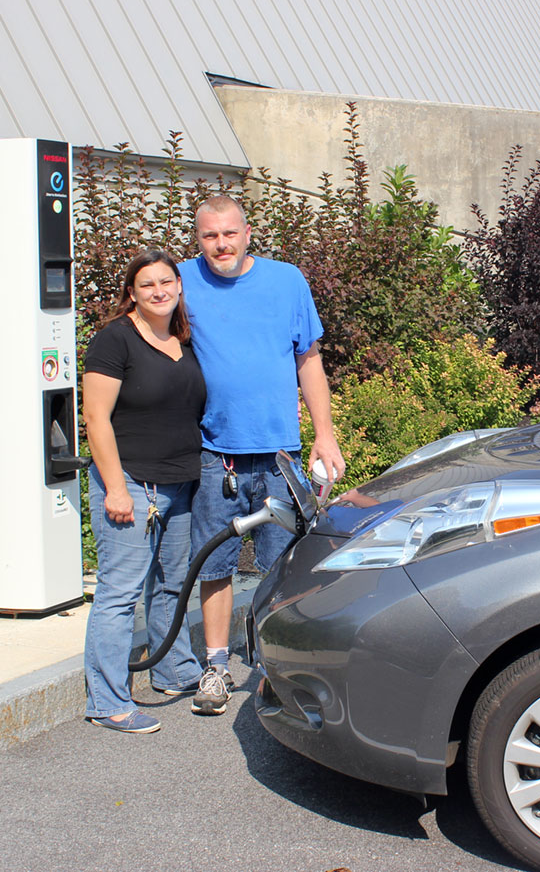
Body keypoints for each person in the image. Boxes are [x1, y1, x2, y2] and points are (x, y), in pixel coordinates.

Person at [180, 194, 346, 716]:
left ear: (248, 232)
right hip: (214, 454)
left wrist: (326, 433)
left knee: (284, 564)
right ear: (198, 238)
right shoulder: (181, 281)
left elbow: (309, 358)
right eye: (210, 235)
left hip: (279, 453)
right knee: (216, 563)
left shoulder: (286, 281)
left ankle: (278, 667)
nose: (220, 244)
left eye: (229, 233)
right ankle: (215, 667)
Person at [82, 250, 206, 733]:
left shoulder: (184, 338)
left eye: (166, 281)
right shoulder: (115, 340)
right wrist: (115, 487)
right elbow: (95, 418)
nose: (159, 290)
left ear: (178, 286)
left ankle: (173, 671)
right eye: (147, 284)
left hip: (180, 482)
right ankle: (107, 702)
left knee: (173, 583)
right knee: (119, 592)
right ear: (131, 292)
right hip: (131, 481)